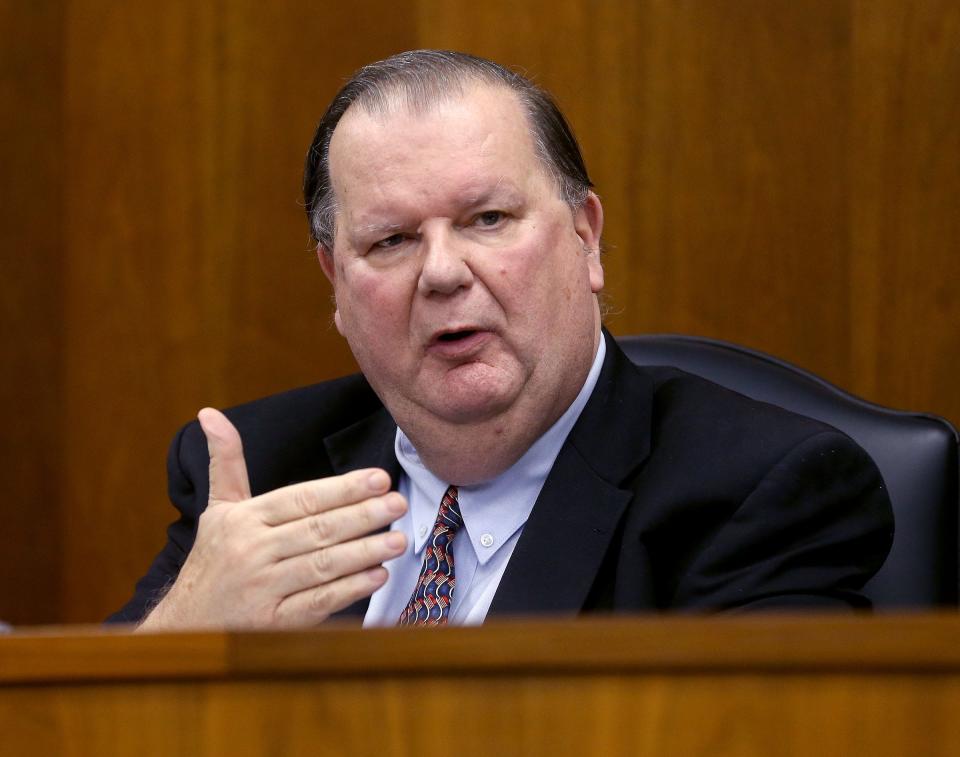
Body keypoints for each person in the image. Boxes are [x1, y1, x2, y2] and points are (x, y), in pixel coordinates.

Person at [110, 50, 893, 629]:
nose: (443, 272)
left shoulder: (754, 494)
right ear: (335, 286)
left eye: (488, 219)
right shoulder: (260, 477)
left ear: (586, 238)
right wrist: (177, 636)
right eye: (391, 240)